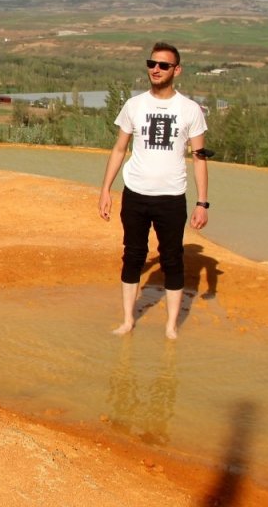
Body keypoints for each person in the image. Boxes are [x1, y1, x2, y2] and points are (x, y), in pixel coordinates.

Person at [98, 42, 209, 340]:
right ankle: (127, 321)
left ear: (177, 70)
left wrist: (202, 203)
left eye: (163, 65)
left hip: (172, 197)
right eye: (152, 64)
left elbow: (200, 159)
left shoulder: (189, 109)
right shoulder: (134, 106)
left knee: (172, 258)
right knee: (132, 255)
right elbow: (120, 148)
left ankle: (171, 326)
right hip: (135, 194)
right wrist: (106, 189)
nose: (156, 69)